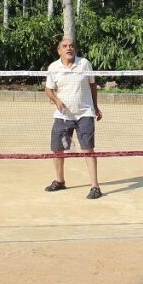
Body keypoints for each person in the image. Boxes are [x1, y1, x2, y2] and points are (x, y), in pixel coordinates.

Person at [44, 38, 103, 199]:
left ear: (74, 49)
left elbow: (92, 85)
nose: (68, 48)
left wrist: (95, 106)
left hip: (85, 114)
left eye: (71, 46)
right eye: (64, 46)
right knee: (57, 149)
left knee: (88, 149)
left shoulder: (84, 64)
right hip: (62, 116)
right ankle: (60, 181)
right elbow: (48, 90)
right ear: (59, 51)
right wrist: (56, 101)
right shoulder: (53, 67)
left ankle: (95, 186)